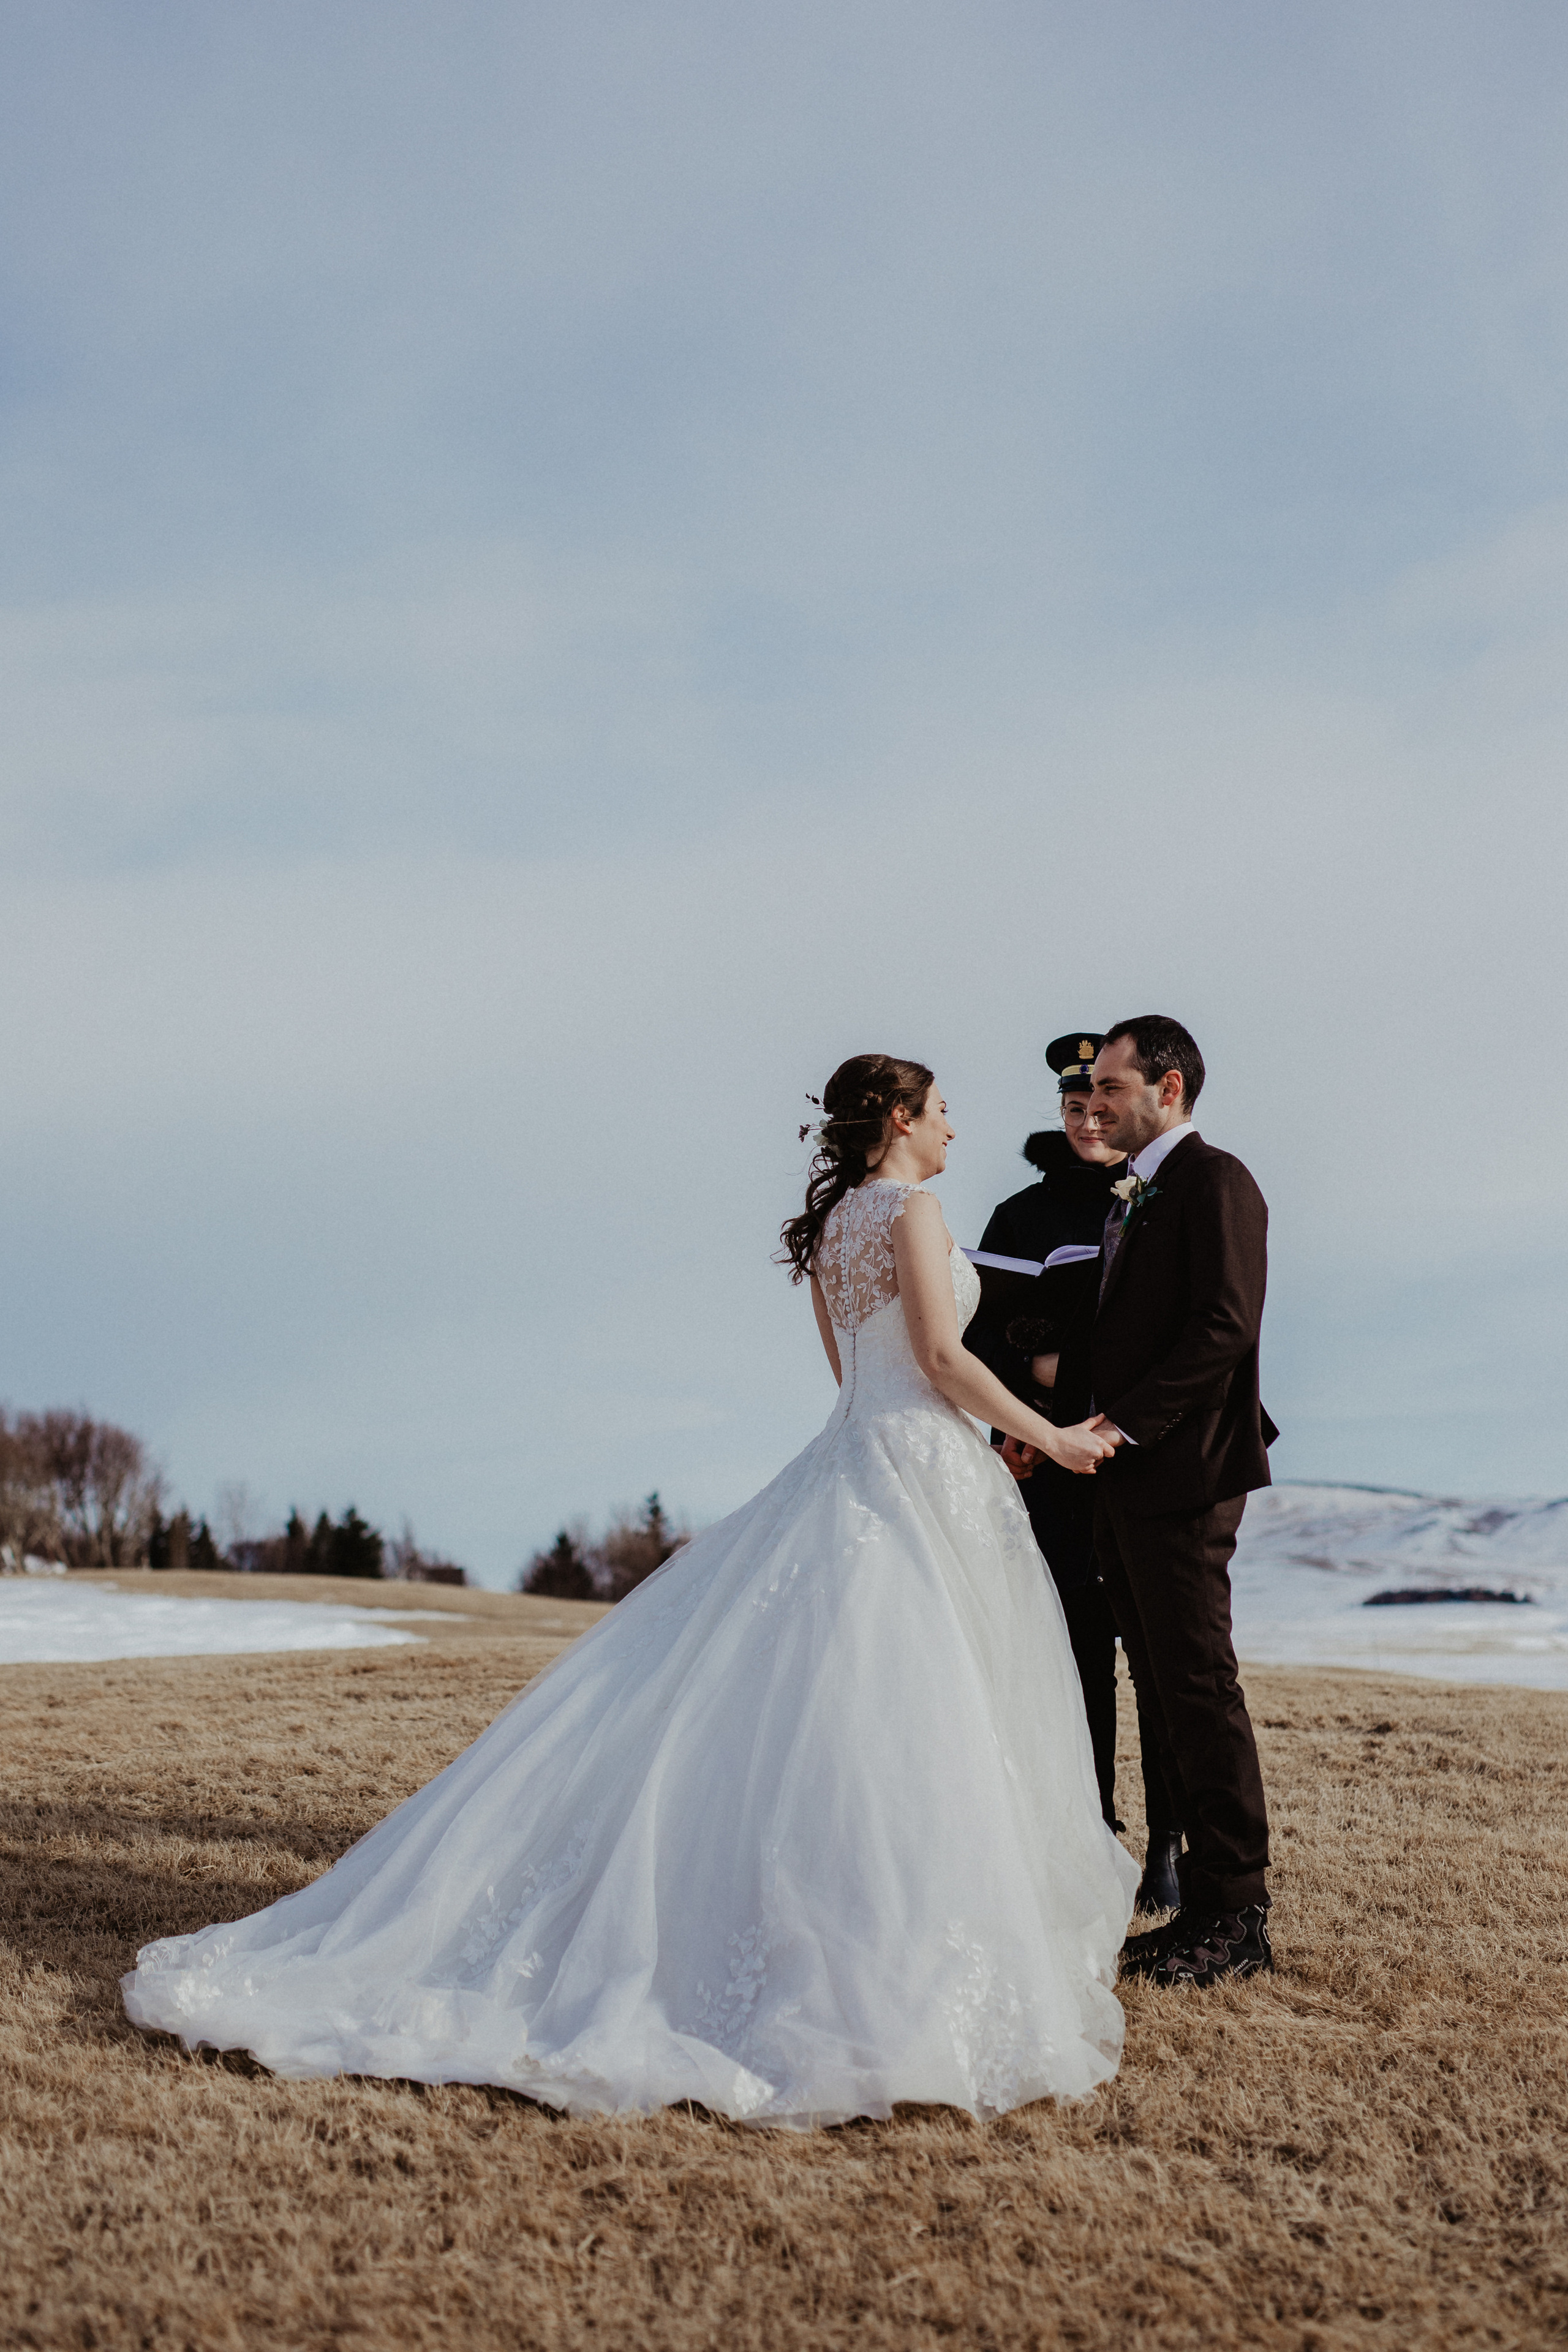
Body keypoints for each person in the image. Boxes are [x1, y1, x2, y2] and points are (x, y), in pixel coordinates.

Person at [124, 1055, 1137, 2127]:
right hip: (919, 1466)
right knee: (913, 1713)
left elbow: (856, 1379)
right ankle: (894, 1955)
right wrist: (1048, 1437)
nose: (950, 1130)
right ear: (897, 1119)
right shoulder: (914, 1213)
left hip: (849, 1455)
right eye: (940, 1112)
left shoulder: (832, 1228)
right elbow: (938, 1354)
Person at [967, 1035, 1182, 1912]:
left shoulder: (1166, 1195)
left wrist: (1073, 1366)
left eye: (1100, 1105)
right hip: (1052, 1462)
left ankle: (1169, 1842)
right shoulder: (1020, 1216)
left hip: (1146, 1456)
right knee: (1076, 1657)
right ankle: (1091, 1831)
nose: (1088, 1122)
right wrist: (1015, 1424)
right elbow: (978, 1336)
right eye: (1072, 1109)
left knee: (1161, 1662)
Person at [1085, 1017, 1278, 1987]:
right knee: (1163, 1691)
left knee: (1200, 1688)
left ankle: (1239, 1915)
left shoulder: (1217, 1180)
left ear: (1167, 1088)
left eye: (1112, 1085)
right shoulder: (1135, 1193)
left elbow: (1224, 1328)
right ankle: (1200, 1907)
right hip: (1128, 1479)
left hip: (1187, 1471)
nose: (1095, 1100)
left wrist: (1121, 1424)